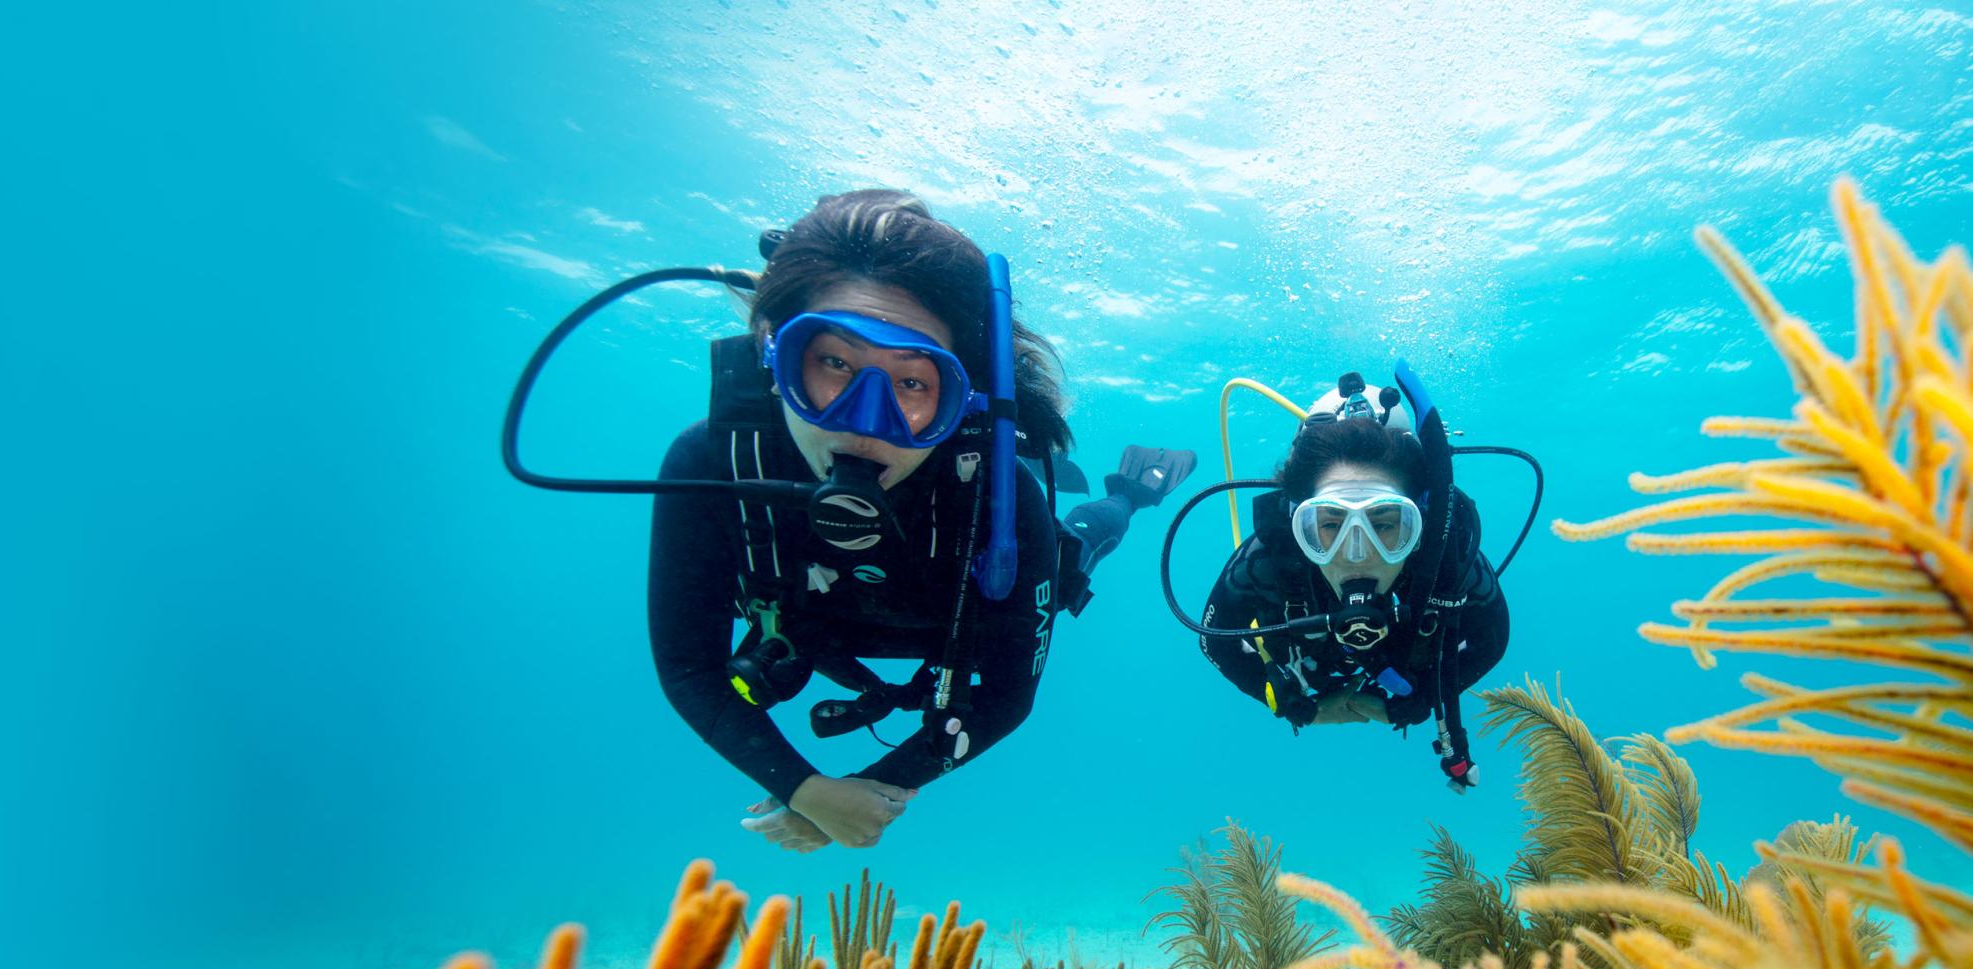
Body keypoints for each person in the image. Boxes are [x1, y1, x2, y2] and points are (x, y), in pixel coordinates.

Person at [645, 190, 1194, 851]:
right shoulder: (712, 462)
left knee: (1073, 544)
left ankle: (1131, 491)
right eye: (834, 363)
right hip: (810, 625)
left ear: (958, 400)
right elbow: (687, 664)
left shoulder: (1001, 498)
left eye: (911, 383)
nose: (863, 419)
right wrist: (807, 790)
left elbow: (1006, 698)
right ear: (775, 358)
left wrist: (876, 785)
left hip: (958, 605)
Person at [1193, 371, 1512, 791]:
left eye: (1385, 524)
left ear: (1422, 523)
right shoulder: (1269, 561)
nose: (1356, 553)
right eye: (1329, 525)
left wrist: (1418, 703)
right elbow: (1214, 641)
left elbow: (1493, 639)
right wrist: (1293, 706)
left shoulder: (1446, 562)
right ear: (1297, 523)